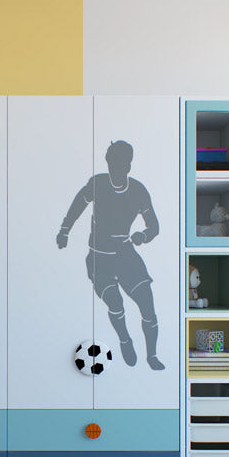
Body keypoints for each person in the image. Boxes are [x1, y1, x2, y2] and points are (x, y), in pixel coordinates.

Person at [57, 140, 164, 370]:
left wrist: (142, 236)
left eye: (122, 164)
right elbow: (77, 205)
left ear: (129, 165)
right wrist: (65, 230)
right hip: (99, 257)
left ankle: (152, 355)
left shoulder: (138, 190)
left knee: (147, 304)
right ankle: (125, 339)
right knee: (116, 303)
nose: (117, 169)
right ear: (107, 164)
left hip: (126, 254)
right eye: (113, 164)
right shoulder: (97, 184)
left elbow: (154, 226)